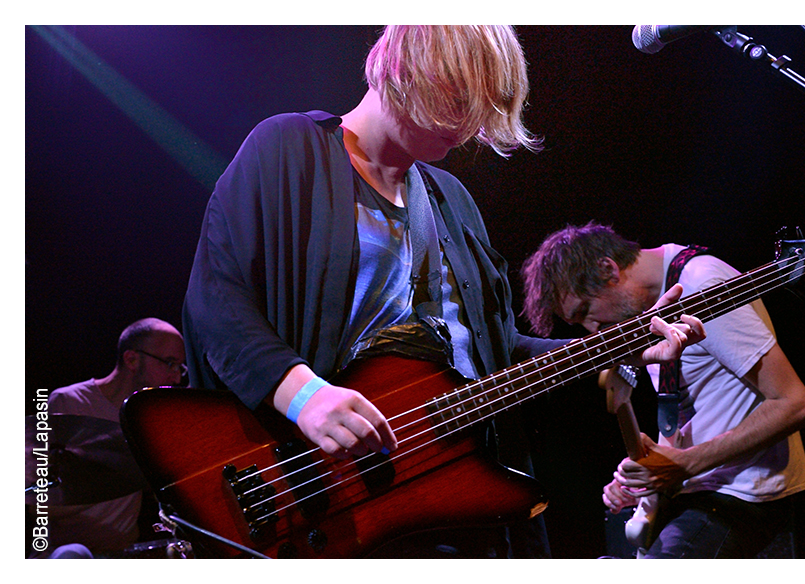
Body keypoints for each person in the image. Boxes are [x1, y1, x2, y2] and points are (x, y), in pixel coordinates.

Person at [182, 26, 703, 558]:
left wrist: (616, 349)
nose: (472, 125)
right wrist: (304, 395)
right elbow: (216, 299)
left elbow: (497, 351)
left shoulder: (452, 199)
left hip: (454, 488)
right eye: (460, 99)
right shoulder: (291, 149)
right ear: (407, 67)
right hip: (328, 489)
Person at [520, 222, 805, 558]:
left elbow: (795, 403)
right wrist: (652, 473)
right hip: (704, 492)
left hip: (742, 498)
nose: (592, 330)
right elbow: (694, 411)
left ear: (607, 269)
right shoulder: (653, 304)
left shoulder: (701, 284)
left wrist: (685, 464)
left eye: (586, 311)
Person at [42, 317, 186, 556]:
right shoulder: (68, 401)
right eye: (169, 363)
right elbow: (41, 506)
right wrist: (118, 470)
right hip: (67, 554)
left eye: (180, 367)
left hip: (125, 554)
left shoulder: (149, 417)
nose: (177, 378)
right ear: (131, 359)